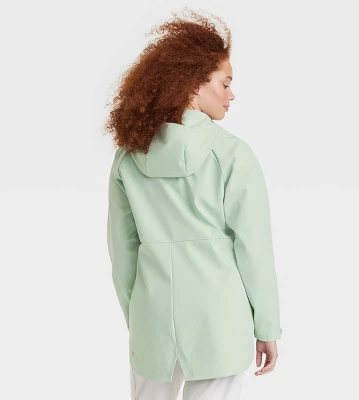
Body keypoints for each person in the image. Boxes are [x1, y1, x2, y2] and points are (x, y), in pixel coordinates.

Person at [105, 8, 282, 400]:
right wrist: (267, 327)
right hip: (221, 323)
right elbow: (253, 249)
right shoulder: (232, 154)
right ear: (192, 85)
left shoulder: (128, 156)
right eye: (225, 83)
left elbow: (123, 253)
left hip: (152, 323)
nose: (232, 94)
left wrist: (141, 319)